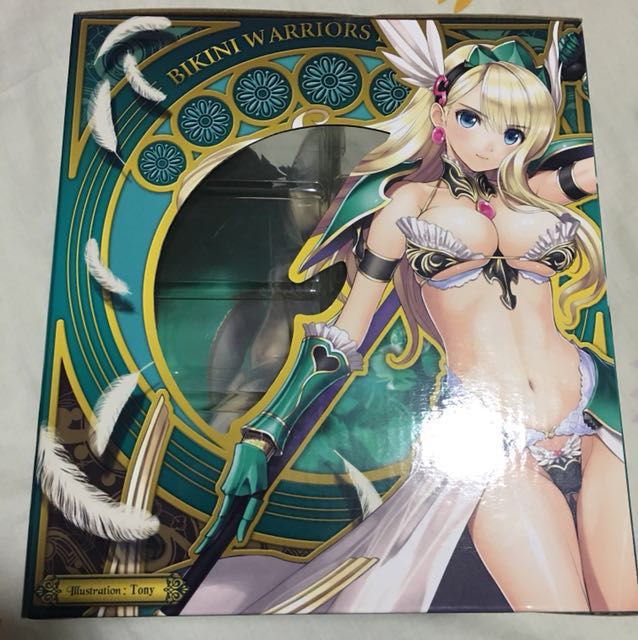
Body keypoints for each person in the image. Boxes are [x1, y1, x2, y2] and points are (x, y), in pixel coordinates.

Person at [185, 19, 638, 613]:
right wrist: (262, 434)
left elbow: (611, 159)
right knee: (562, 618)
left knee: (625, 611)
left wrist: (606, 63)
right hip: (494, 440)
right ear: (441, 112)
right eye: (472, 119)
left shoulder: (536, 189)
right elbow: (345, 334)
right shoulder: (408, 205)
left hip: (596, 412)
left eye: (511, 131)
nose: (488, 144)